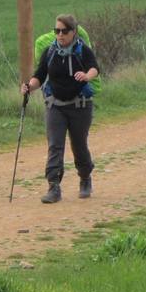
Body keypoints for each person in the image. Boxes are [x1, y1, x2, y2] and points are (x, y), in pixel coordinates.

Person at [22, 14, 100, 204]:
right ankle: (53, 187)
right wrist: (29, 86)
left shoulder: (83, 51)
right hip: (55, 105)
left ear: (73, 32)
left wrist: (87, 76)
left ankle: (85, 178)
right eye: (57, 31)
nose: (60, 35)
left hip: (80, 106)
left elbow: (94, 68)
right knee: (55, 145)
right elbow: (40, 75)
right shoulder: (49, 52)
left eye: (64, 31)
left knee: (79, 145)